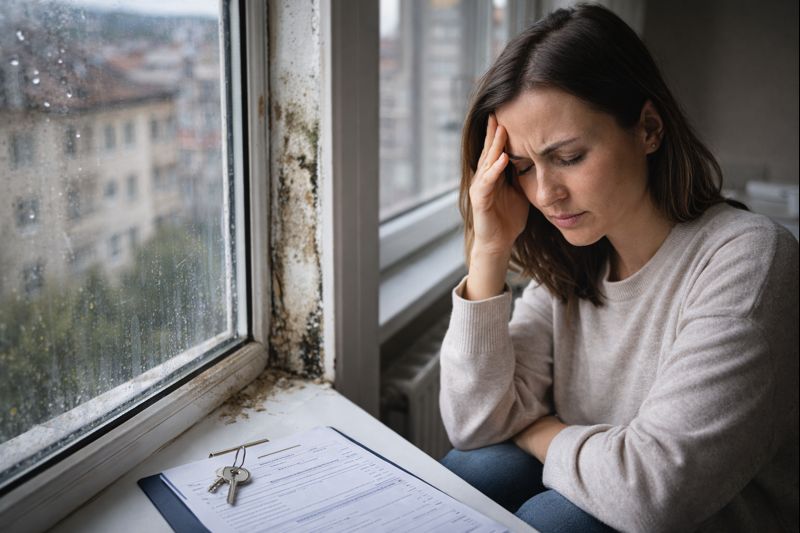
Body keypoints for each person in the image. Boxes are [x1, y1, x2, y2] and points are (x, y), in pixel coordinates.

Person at [438, 4, 799, 533]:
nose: (545, 193)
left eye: (569, 156)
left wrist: (539, 430)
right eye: (521, 168)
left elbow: (652, 492)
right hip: (607, 490)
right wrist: (488, 252)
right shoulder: (574, 260)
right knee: (477, 468)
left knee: (555, 516)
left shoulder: (750, 260)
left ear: (648, 128)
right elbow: (475, 425)